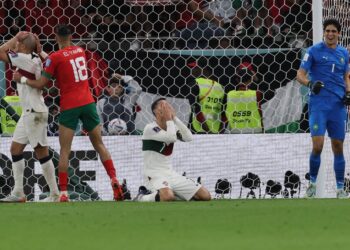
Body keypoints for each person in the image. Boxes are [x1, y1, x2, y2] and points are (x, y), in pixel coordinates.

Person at [13, 24, 124, 202]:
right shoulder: (80, 50)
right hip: (88, 102)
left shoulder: (55, 57)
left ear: (56, 37)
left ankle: (63, 193)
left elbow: (43, 83)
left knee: (65, 150)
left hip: (70, 105)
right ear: (71, 36)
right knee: (99, 145)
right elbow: (62, 67)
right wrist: (43, 54)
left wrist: (23, 79)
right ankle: (114, 179)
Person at [0, 32, 59, 202]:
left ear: (24, 47)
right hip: (29, 113)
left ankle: (54, 194)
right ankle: (19, 193)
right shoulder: (38, 58)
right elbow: (48, 59)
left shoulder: (24, 59)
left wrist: (16, 37)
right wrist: (38, 48)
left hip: (34, 112)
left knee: (41, 152)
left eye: (19, 44)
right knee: (15, 150)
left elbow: (1, 51)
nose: (15, 47)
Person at [296, 19, 350, 198]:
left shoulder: (344, 53)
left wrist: (349, 92)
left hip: (337, 106)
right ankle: (311, 185)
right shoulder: (313, 51)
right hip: (319, 105)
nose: (330, 34)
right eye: (327, 31)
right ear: (324, 32)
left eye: (334, 31)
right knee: (318, 146)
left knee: (338, 146)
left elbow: (346, 76)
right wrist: (310, 84)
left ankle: (340, 189)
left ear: (339, 33)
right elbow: (300, 75)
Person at [134, 98, 211, 202]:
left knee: (205, 196)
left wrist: (174, 118)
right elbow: (171, 138)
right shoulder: (150, 128)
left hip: (171, 174)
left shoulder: (172, 127)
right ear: (156, 111)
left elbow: (188, 137)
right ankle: (142, 197)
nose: (167, 109)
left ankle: (173, 193)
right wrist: (169, 120)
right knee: (167, 197)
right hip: (154, 174)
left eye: (168, 106)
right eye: (163, 106)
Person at [188, 57, 225, 134]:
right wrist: (221, 130)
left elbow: (196, 109)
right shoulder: (220, 87)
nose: (192, 70)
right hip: (216, 129)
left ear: (203, 69)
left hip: (198, 129)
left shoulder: (195, 83)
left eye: (195, 67)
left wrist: (207, 130)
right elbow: (224, 112)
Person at [225, 66, 263, 133]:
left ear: (237, 80)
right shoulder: (256, 94)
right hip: (254, 132)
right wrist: (256, 79)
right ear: (251, 79)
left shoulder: (229, 95)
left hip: (235, 132)